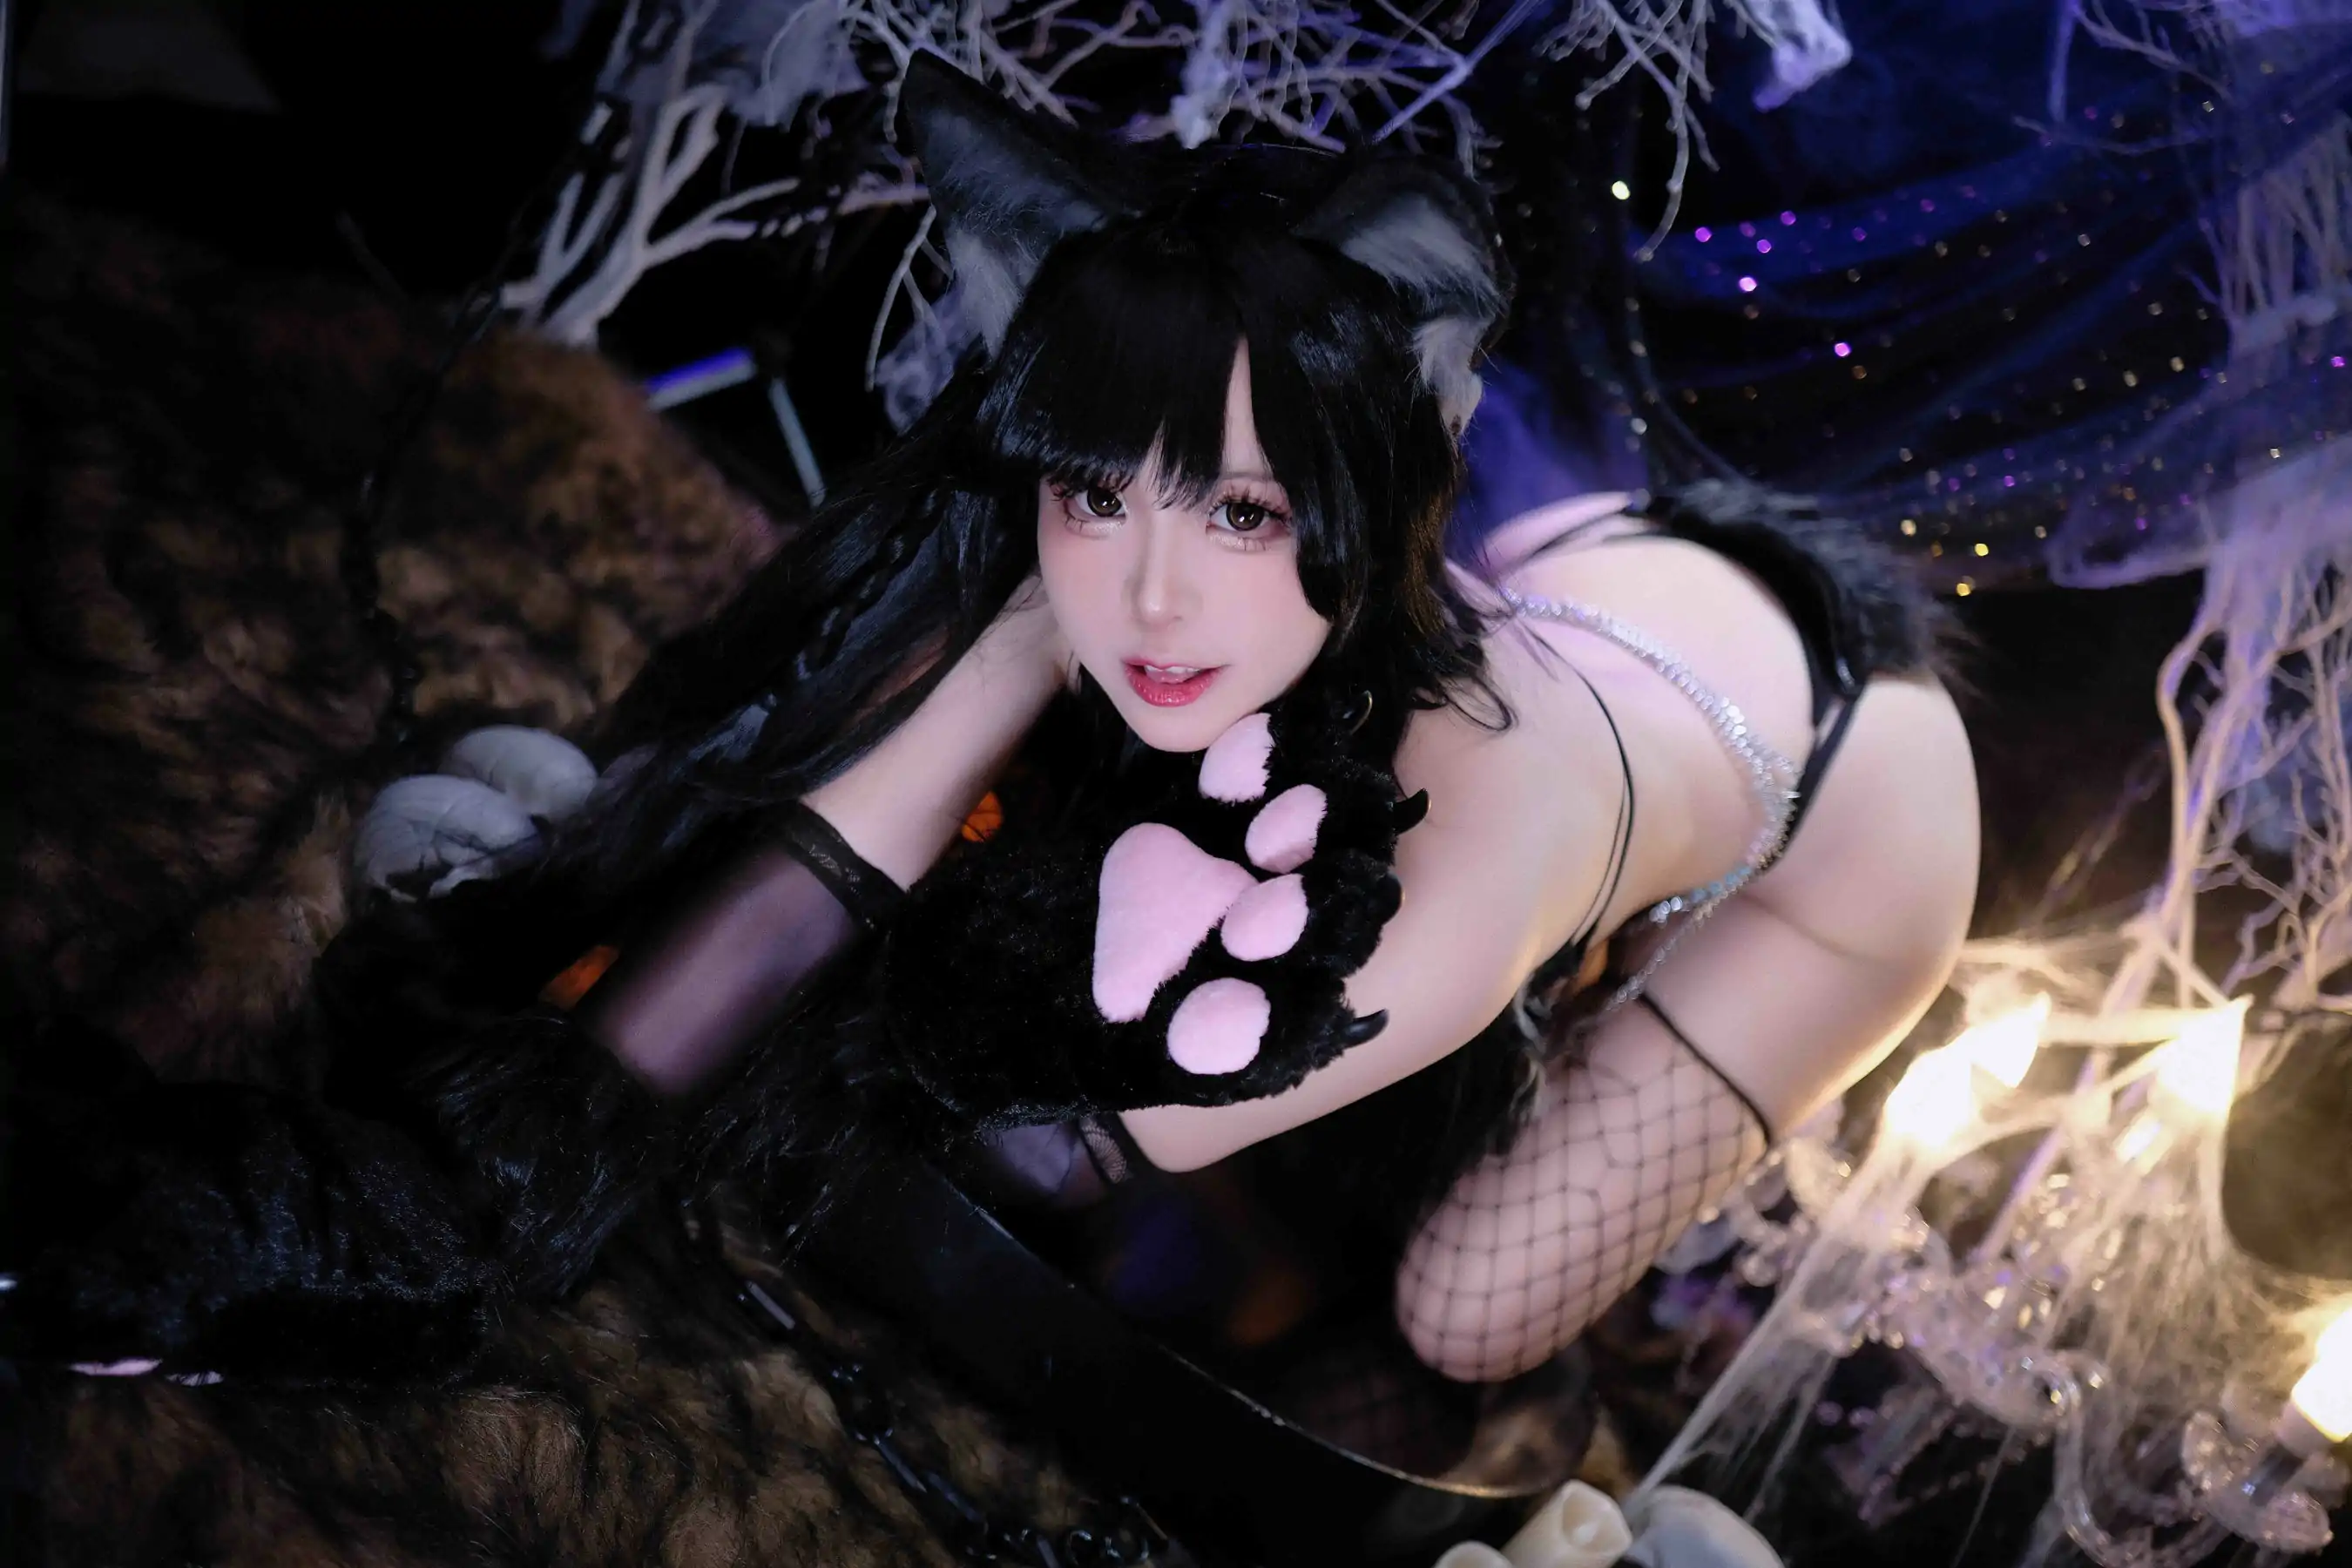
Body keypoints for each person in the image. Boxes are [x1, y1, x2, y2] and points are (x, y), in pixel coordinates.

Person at [11, 57, 1976, 1403]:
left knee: (1460, 1315)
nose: (1146, 601)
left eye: (1238, 514)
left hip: (1854, 816)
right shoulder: (1115, 559)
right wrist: (448, 1176)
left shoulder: (1458, 887)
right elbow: (829, 866)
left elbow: (1012, 1134)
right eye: (1094, 491)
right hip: (1614, 561)